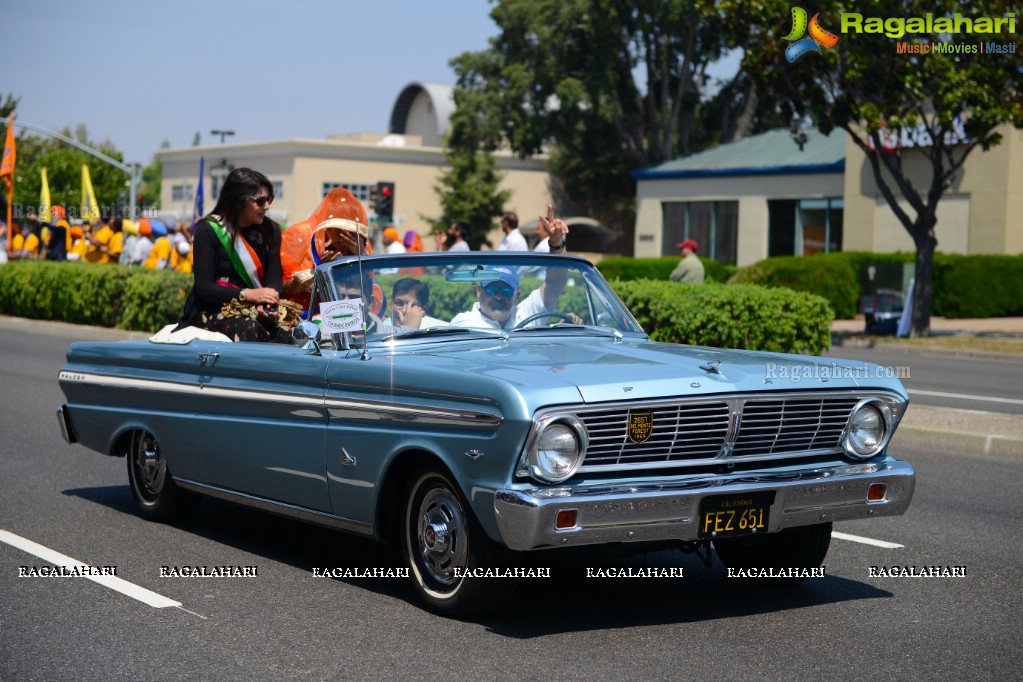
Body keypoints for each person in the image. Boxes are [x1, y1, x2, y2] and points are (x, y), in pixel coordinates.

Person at [176, 167, 294, 343]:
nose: (267, 206)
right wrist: (248, 294)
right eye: (260, 201)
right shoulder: (209, 230)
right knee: (251, 329)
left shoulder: (272, 231)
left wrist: (268, 302)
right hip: (213, 309)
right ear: (239, 201)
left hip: (256, 308)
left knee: (292, 331)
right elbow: (203, 288)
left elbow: (274, 280)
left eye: (269, 198)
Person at [450, 207, 579, 330]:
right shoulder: (463, 324)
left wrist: (556, 243)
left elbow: (555, 282)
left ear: (516, 295)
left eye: (506, 291)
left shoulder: (527, 313)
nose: (499, 297)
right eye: (492, 289)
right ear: (479, 291)